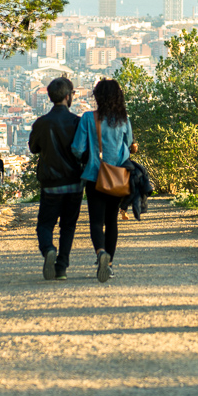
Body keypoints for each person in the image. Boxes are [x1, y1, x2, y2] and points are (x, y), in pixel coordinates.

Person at [72, 78, 135, 283]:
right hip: (117, 176)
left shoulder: (88, 119)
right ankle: (109, 265)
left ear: (97, 97)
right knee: (112, 221)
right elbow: (129, 144)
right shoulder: (124, 120)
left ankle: (100, 253)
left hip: (94, 176)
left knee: (96, 221)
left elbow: (77, 149)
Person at [28, 77, 84, 281]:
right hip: (74, 183)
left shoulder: (41, 123)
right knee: (68, 226)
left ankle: (48, 249)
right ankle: (61, 267)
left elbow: (33, 148)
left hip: (51, 184)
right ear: (68, 97)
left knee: (45, 224)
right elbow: (83, 152)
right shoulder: (77, 122)